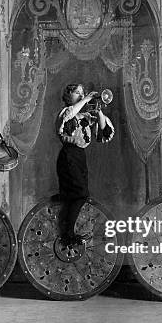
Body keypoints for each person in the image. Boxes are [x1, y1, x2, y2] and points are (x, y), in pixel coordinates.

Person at [55, 83, 114, 245]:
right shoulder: (66, 112)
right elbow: (69, 115)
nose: (81, 95)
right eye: (77, 93)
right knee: (79, 194)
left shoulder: (85, 116)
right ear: (68, 97)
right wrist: (86, 99)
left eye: (82, 93)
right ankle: (67, 234)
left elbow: (104, 132)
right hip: (68, 156)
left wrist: (99, 110)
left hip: (79, 157)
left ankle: (67, 231)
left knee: (78, 194)